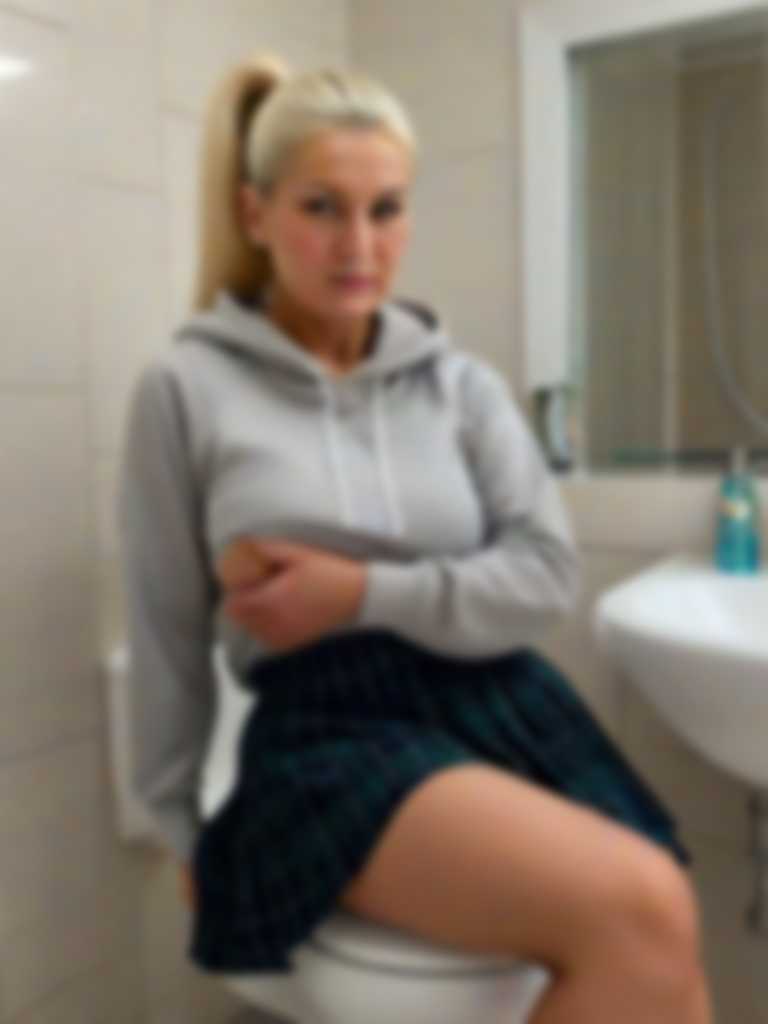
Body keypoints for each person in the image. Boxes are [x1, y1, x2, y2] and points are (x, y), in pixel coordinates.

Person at [118, 52, 713, 1023]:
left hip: (495, 696)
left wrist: (359, 592)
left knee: (669, 949)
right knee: (644, 911)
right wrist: (180, 823)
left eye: (386, 208)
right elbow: (163, 627)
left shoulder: (459, 385)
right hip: (328, 726)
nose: (359, 244)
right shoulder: (187, 388)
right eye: (322, 207)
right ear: (255, 213)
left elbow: (545, 575)